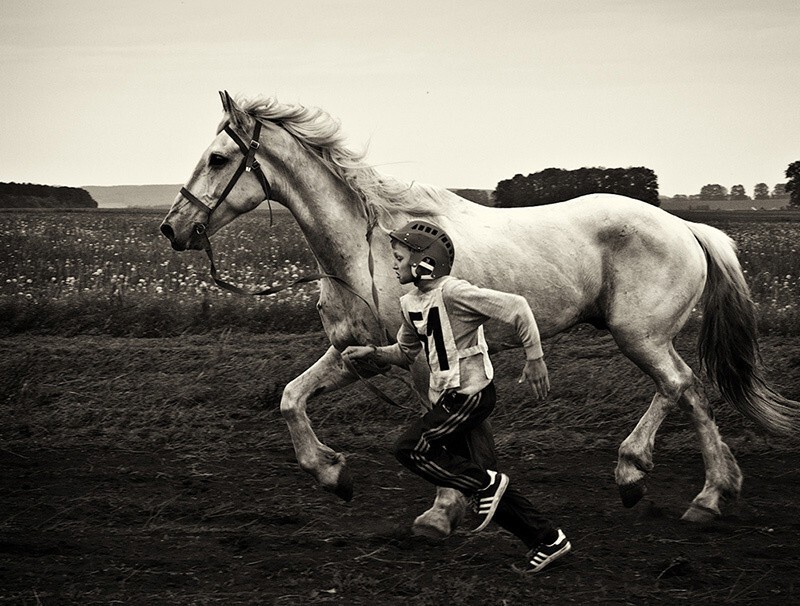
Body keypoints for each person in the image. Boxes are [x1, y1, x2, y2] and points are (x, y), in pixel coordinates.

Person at [342, 219, 571, 573]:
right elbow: (404, 354)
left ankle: (484, 485)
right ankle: (549, 539)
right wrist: (370, 351)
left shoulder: (454, 292)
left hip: (471, 396)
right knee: (486, 482)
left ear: (424, 262)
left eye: (399, 257)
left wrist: (535, 358)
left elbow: (518, 307)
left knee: (410, 447)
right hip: (448, 402)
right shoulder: (410, 303)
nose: (393, 264)